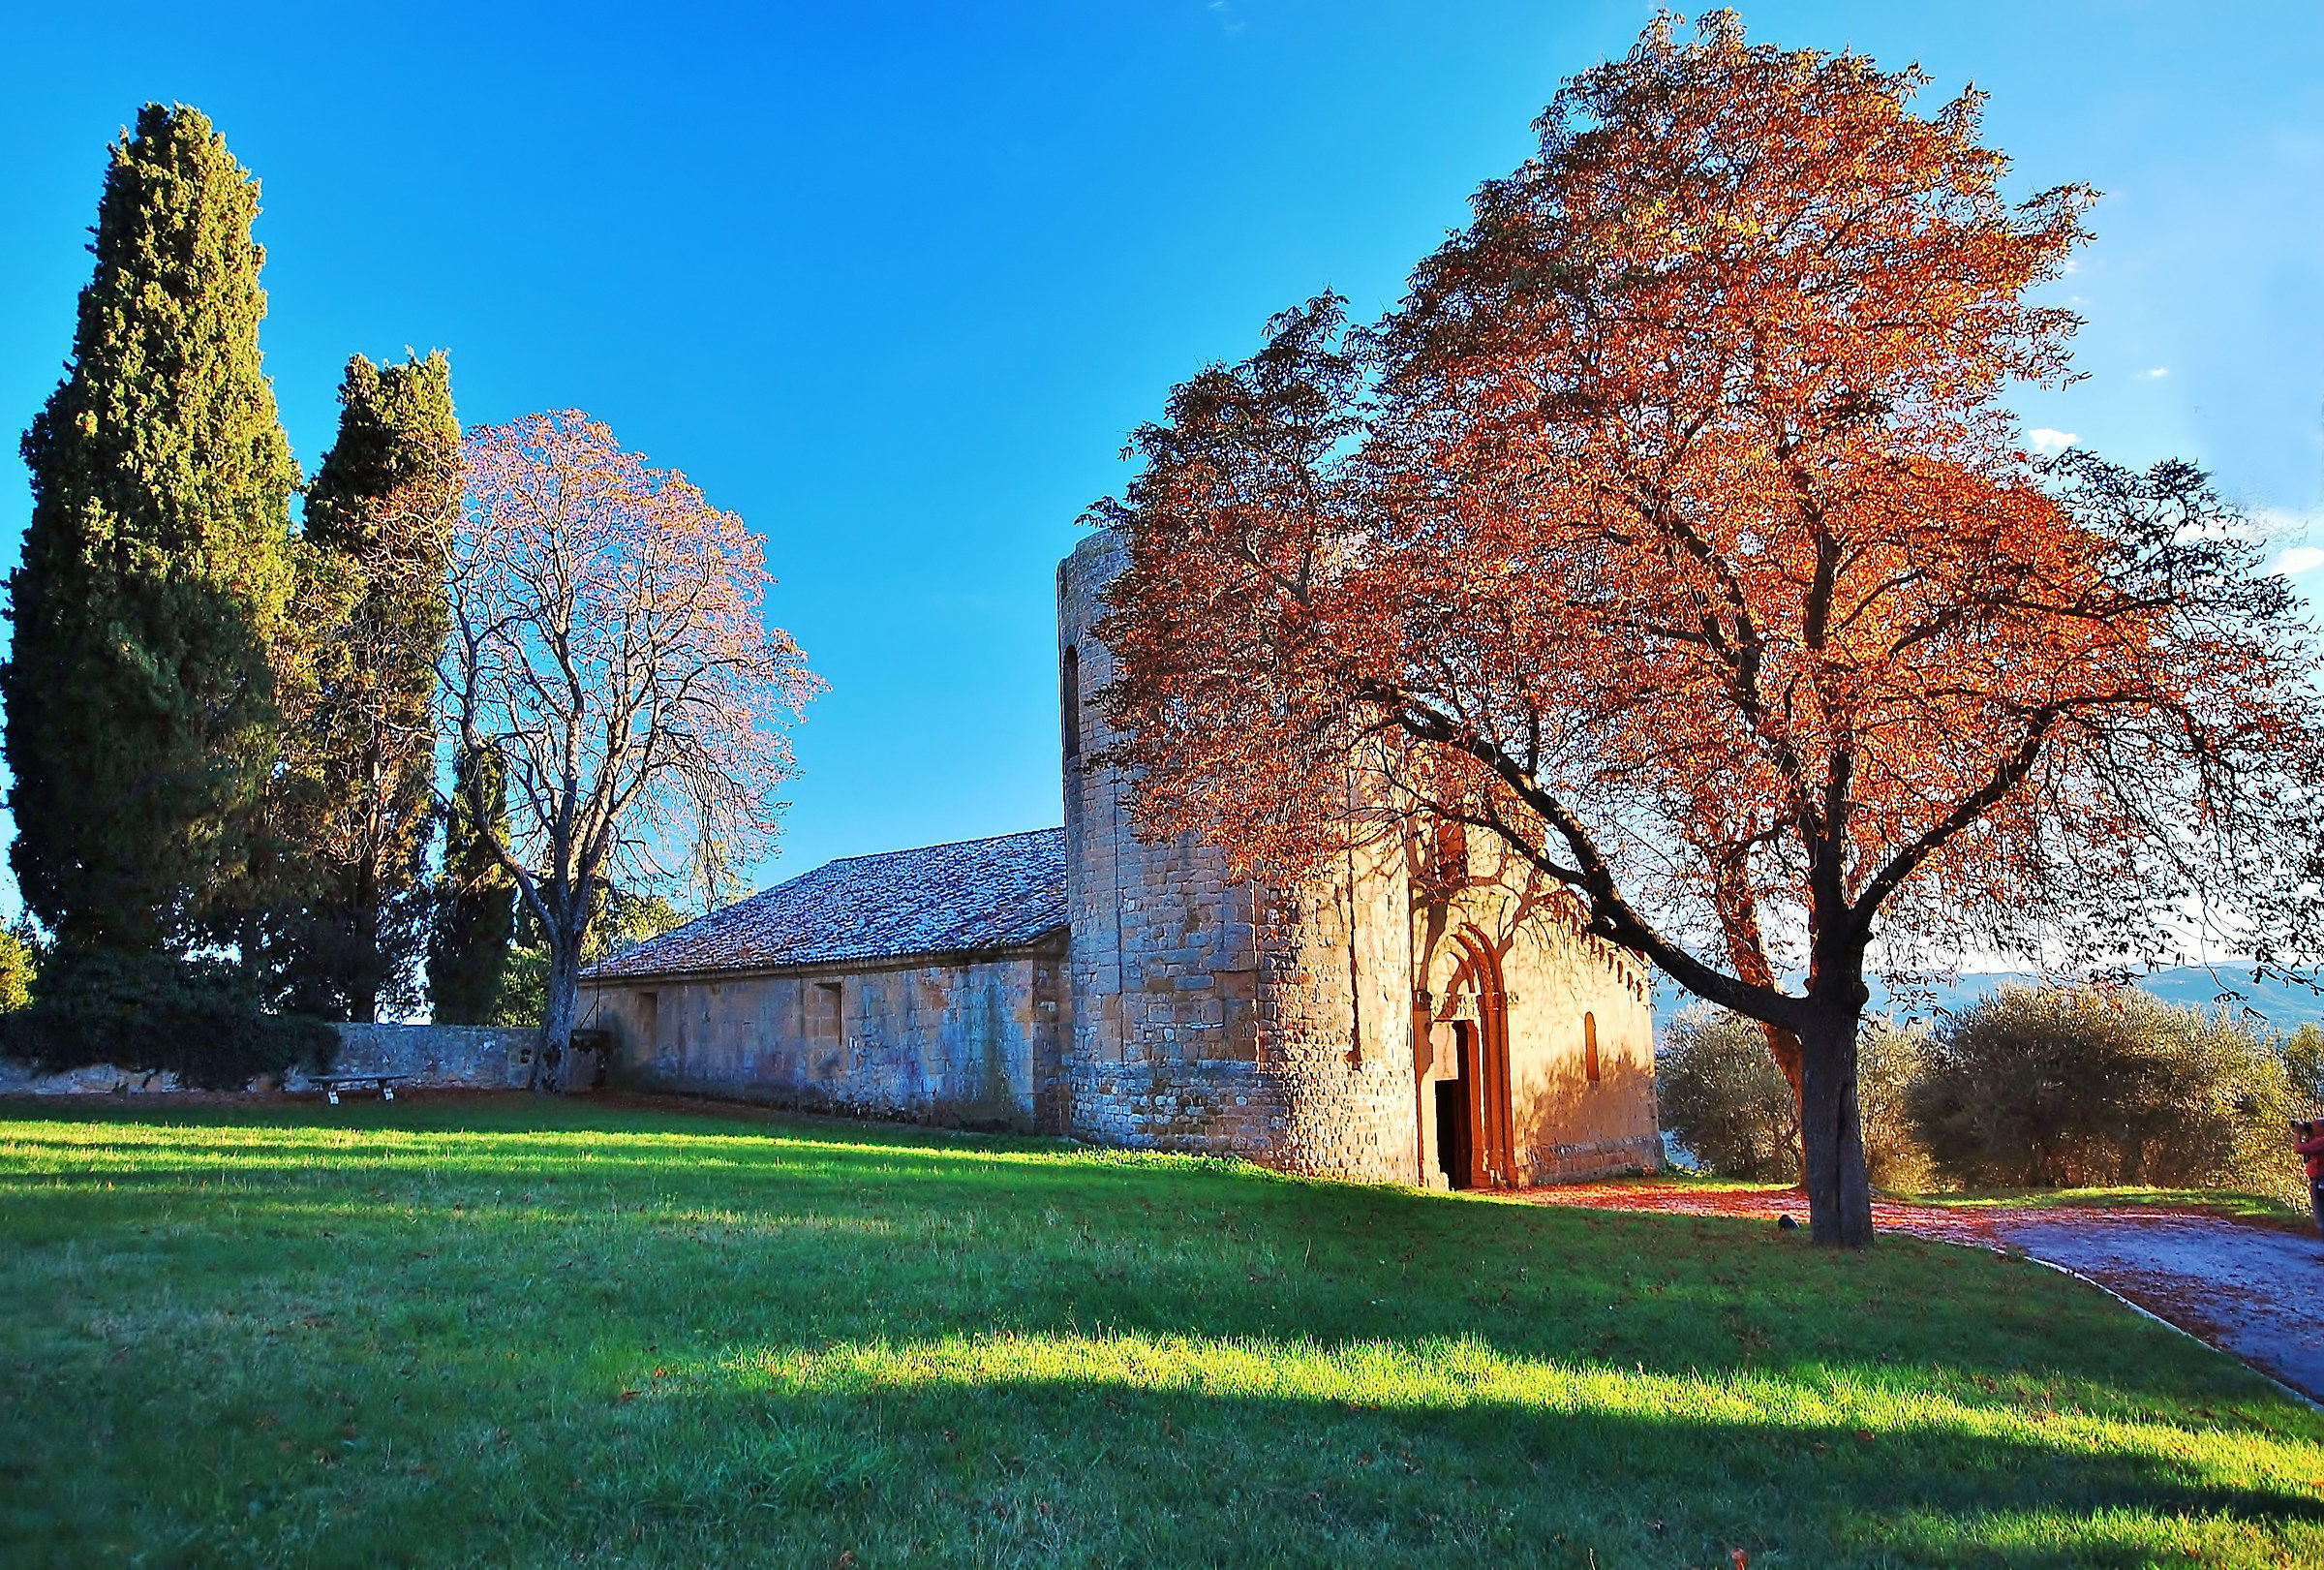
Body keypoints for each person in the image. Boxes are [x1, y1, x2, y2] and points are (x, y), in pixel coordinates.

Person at [2295, 1119, 2324, 1237]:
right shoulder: (2318, 1140)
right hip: (2319, 1180)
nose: (2312, 1128)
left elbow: (2300, 1149)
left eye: (2313, 1126)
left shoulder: (2322, 1141)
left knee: (2321, 1214)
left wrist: (2297, 1134)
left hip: (2321, 1180)